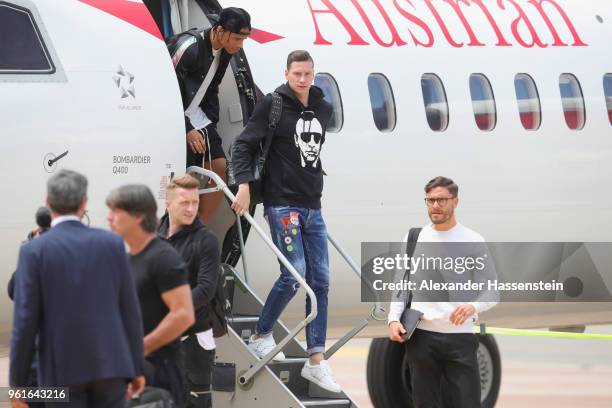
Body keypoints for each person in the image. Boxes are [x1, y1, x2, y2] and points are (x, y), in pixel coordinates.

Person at [231, 50, 341, 393]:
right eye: (297, 74)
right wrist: (244, 186)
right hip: (282, 205)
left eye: (308, 74)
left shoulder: (322, 107)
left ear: (314, 74)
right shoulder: (273, 104)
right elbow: (243, 146)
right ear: (287, 73)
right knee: (294, 275)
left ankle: (316, 361)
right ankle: (262, 334)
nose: (303, 80)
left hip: (313, 205)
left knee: (320, 281)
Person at [10, 169, 145, 408]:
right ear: (84, 203)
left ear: (47, 202)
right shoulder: (112, 243)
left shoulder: (34, 250)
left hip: (61, 374)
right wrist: (135, 368)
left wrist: (17, 385)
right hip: (112, 369)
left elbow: (25, 322)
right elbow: (130, 311)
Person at [388, 176, 497, 408]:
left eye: (441, 200)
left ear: (455, 202)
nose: (435, 206)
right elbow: (401, 282)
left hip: (460, 337)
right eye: (430, 200)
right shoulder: (414, 238)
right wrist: (392, 319)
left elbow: (492, 290)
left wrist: (472, 306)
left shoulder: (473, 240)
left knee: (468, 404)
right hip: (422, 338)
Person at [106, 184, 195, 405]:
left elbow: (183, 314)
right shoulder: (128, 260)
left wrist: (141, 348)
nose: (109, 218)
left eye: (115, 212)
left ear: (137, 216)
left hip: (161, 373)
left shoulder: (163, 257)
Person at [173, 7, 251, 224]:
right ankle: (179, 233)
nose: (239, 45)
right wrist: (186, 128)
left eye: (243, 40)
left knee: (219, 168)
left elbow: (211, 88)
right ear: (219, 30)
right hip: (174, 115)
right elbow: (167, 89)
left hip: (197, 115)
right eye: (236, 38)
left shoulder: (226, 52)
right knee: (184, 179)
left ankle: (200, 227)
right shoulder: (189, 47)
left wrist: (211, 124)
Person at [158, 174, 221, 408]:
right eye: (184, 203)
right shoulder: (157, 235)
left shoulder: (206, 240)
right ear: (168, 203)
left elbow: (205, 289)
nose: (191, 208)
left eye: (195, 202)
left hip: (193, 344)